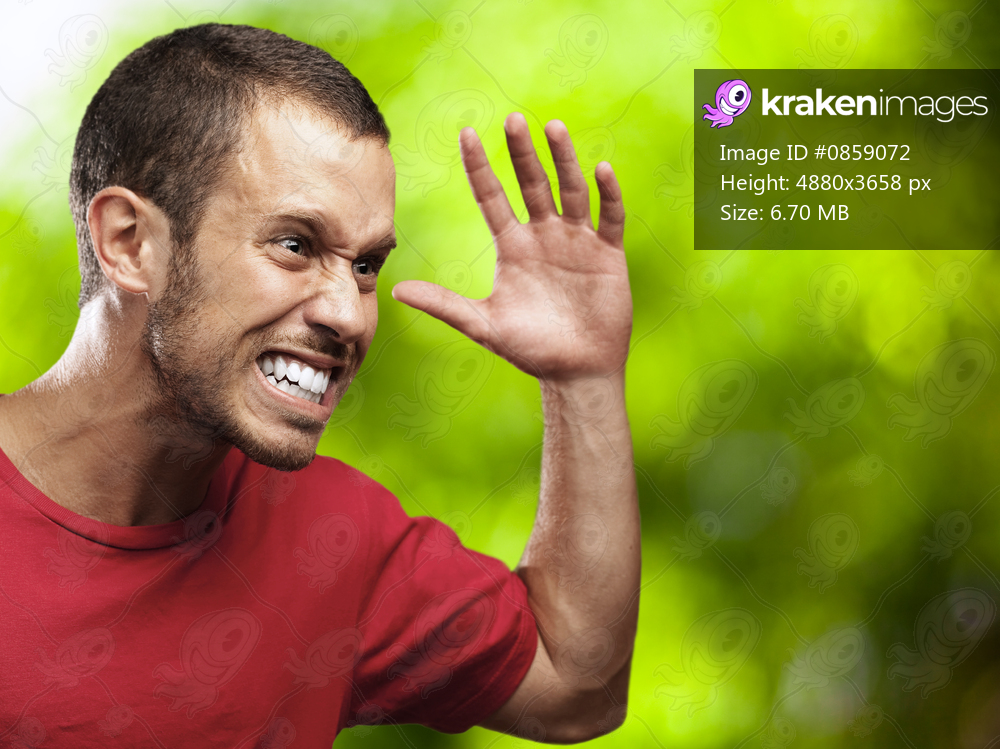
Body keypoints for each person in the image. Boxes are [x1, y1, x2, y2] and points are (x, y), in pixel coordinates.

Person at [0, 23, 639, 747]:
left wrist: (583, 377)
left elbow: (575, 687)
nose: (347, 313)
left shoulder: (335, 540)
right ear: (129, 241)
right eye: (295, 245)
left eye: (366, 265)